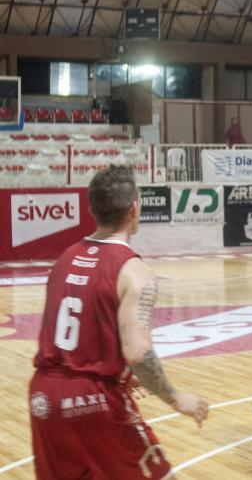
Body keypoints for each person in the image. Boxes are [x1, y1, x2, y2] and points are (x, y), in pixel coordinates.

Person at [29, 165, 209, 479]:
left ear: (91, 209)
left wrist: (120, 372)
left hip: (43, 397)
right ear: (134, 210)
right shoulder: (134, 272)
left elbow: (69, 332)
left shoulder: (64, 259)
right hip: (93, 402)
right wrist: (176, 398)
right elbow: (138, 353)